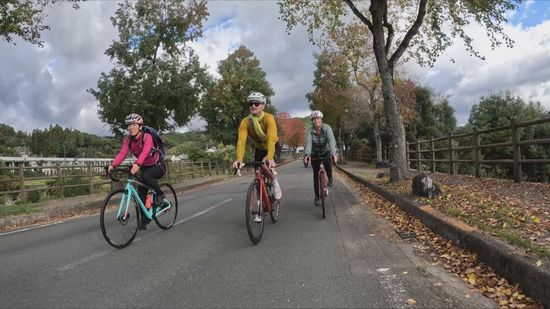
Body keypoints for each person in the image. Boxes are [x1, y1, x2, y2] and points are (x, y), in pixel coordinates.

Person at [108, 113, 166, 230]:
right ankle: (145, 219)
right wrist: (113, 165)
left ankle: (160, 193)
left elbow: (145, 151)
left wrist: (137, 163)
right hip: (144, 166)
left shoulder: (147, 136)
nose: (131, 127)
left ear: (140, 126)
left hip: (157, 166)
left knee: (146, 176)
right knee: (140, 195)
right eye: (129, 125)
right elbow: (122, 154)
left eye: (134, 124)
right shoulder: (128, 140)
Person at [232, 92, 282, 209]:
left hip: (273, 146)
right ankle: (260, 206)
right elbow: (241, 141)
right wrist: (239, 159)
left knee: (266, 165)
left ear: (263, 105)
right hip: (259, 149)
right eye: (251, 103)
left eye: (256, 103)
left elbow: (271, 139)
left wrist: (269, 157)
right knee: (257, 177)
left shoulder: (268, 118)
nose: (253, 106)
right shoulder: (246, 122)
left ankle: (275, 185)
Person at [303, 110, 338, 206]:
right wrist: (307, 155)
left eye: (318, 118)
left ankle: (330, 177)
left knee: (328, 164)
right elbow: (308, 142)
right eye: (314, 119)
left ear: (321, 120)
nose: (316, 121)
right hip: (314, 153)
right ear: (312, 121)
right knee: (315, 174)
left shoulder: (327, 128)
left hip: (326, 151)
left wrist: (334, 154)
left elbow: (331, 141)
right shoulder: (310, 130)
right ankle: (317, 196)